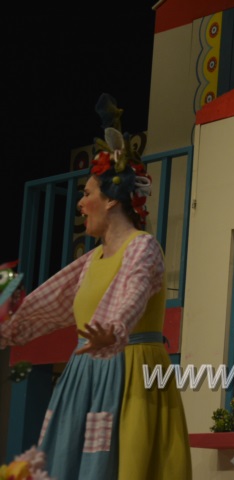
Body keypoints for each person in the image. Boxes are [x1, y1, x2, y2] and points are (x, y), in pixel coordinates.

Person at [0, 94, 192, 480]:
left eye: (87, 194)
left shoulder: (143, 247)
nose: (80, 204)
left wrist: (114, 330)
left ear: (111, 201)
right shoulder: (90, 261)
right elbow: (43, 304)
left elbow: (132, 294)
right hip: (86, 376)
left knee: (123, 465)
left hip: (130, 372)